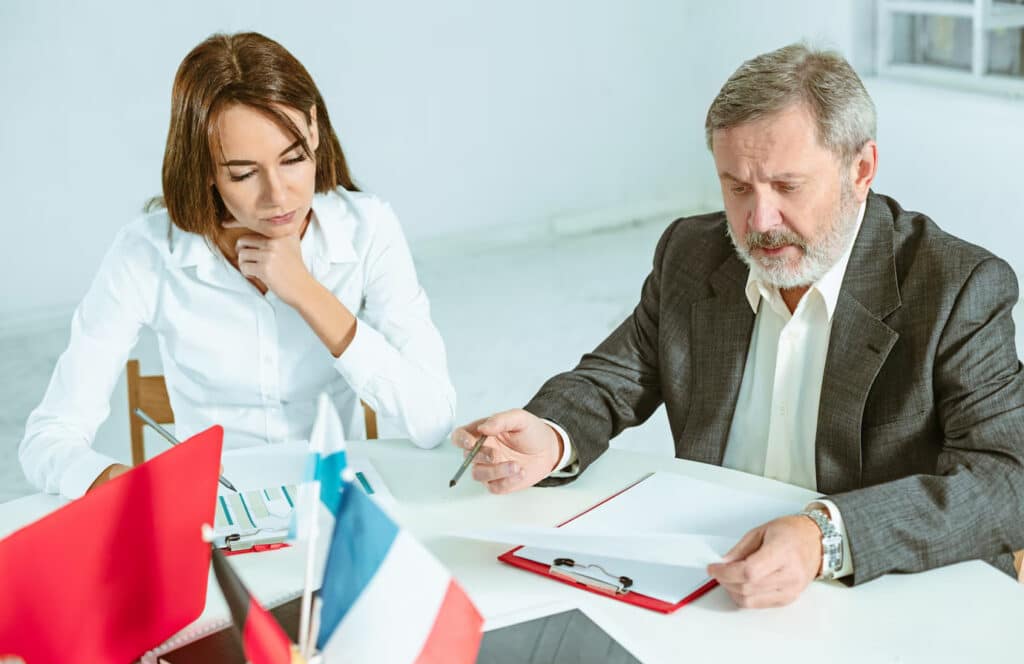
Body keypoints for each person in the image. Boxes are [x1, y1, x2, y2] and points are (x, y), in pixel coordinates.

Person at [453, 43, 1024, 607]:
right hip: (718, 586)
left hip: (884, 589)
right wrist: (550, 437)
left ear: (862, 169)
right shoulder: (693, 253)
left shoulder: (956, 286)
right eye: (737, 187)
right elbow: (611, 379)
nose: (760, 220)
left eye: (787, 186)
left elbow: (1006, 482)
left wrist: (824, 536)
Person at [20, 32, 455, 499]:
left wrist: (306, 292)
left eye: (292, 159)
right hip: (212, 509)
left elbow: (432, 421)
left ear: (313, 129)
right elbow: (48, 440)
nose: (279, 196)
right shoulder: (146, 253)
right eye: (244, 173)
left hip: (332, 505)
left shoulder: (368, 227)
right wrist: (130, 486)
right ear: (204, 165)